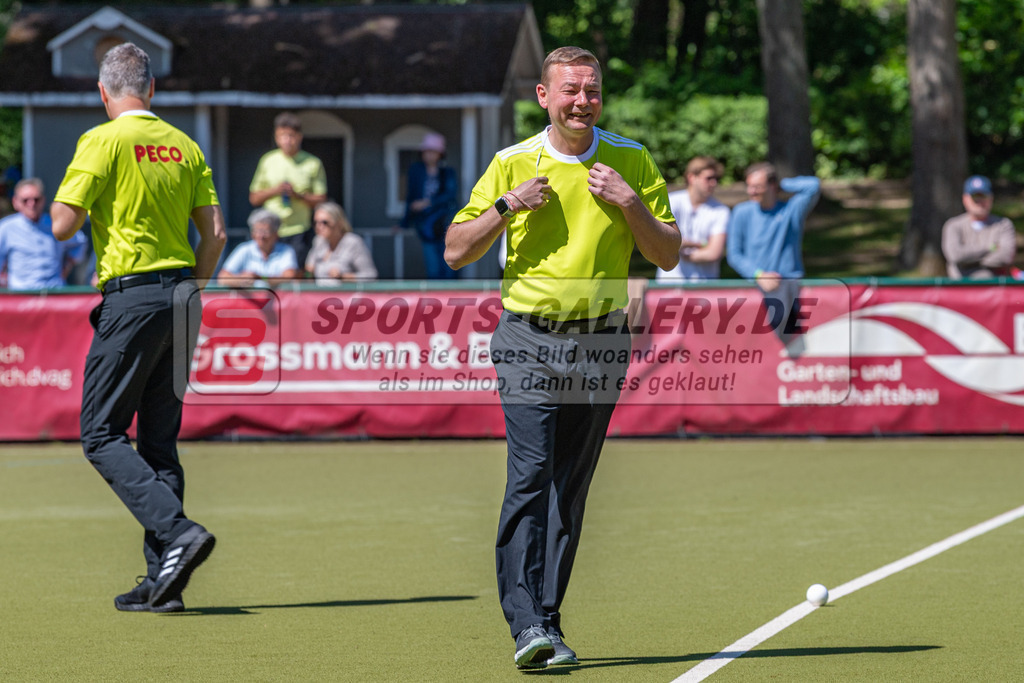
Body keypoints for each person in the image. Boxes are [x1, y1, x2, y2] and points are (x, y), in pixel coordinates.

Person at [444, 46, 679, 670]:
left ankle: (547, 620)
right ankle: (525, 624)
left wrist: (630, 202)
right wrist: (507, 206)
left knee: (568, 488)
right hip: (527, 337)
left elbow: (668, 254)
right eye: (570, 89)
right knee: (529, 472)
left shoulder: (631, 160)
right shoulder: (511, 163)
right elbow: (455, 250)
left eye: (592, 89)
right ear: (544, 97)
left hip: (602, 340)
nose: (583, 99)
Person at [50, 42, 226, 613]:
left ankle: (177, 535)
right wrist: (194, 289)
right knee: (158, 440)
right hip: (182, 297)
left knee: (100, 433)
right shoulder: (185, 144)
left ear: (104, 92)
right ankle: (163, 584)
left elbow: (59, 225)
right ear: (152, 89)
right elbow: (216, 234)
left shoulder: (102, 139)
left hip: (132, 299)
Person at [726, 162, 820, 340]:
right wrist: (758, 275)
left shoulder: (790, 210)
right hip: (754, 289)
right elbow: (734, 255)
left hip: (790, 289)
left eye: (758, 186)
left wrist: (782, 184)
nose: (751, 191)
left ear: (772, 186)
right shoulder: (741, 212)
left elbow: (813, 186)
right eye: (749, 186)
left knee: (792, 346)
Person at [249, 112, 327, 268]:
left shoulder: (312, 163)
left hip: (299, 230)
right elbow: (254, 198)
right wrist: (276, 191)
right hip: (270, 233)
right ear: (276, 138)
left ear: (299, 137)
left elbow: (321, 199)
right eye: (282, 136)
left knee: (295, 275)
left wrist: (297, 195)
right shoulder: (268, 161)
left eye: (291, 135)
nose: (287, 140)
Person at [0, 178, 87, 290]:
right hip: (21, 295)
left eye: (36, 199)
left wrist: (67, 267)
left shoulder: (55, 223)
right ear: (15, 202)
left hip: (54, 292)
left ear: (43, 200)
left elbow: (80, 241)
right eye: (25, 200)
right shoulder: (6, 227)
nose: (31, 204)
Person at [656, 156, 730, 281]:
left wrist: (679, 251)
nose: (714, 183)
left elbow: (713, 253)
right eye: (708, 178)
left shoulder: (721, 210)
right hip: (669, 284)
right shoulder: (671, 201)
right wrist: (700, 244)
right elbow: (661, 240)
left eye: (716, 178)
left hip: (705, 286)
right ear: (692, 177)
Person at [401, 132, 459, 279]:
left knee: (449, 267)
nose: (429, 155)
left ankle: (449, 299)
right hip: (426, 226)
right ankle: (437, 301)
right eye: (427, 151)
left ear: (440, 154)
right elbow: (410, 197)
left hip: (445, 224)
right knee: (433, 269)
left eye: (433, 151)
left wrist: (428, 203)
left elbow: (450, 195)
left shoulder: (447, 172)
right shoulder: (416, 171)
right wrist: (404, 223)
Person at [941, 175, 1017, 279]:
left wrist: (968, 262)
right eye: (975, 197)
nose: (980, 202)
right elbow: (955, 256)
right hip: (960, 290)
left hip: (996, 290)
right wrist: (990, 248)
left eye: (983, 196)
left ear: (991, 198)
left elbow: (1006, 257)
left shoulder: (1003, 225)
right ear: (965, 199)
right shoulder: (953, 225)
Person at [218, 208, 300, 287]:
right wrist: (241, 279)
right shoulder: (244, 249)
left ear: (276, 234)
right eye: (257, 231)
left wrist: (260, 278)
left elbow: (289, 277)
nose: (261, 236)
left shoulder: (286, 250)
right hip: (248, 300)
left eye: (265, 232)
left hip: (279, 299)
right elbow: (222, 278)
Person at [306, 201, 377, 283]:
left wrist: (344, 276)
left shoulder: (352, 242)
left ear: (338, 222)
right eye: (315, 223)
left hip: (346, 294)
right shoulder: (318, 242)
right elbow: (309, 271)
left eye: (324, 222)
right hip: (321, 294)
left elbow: (371, 275)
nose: (319, 227)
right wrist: (308, 274)